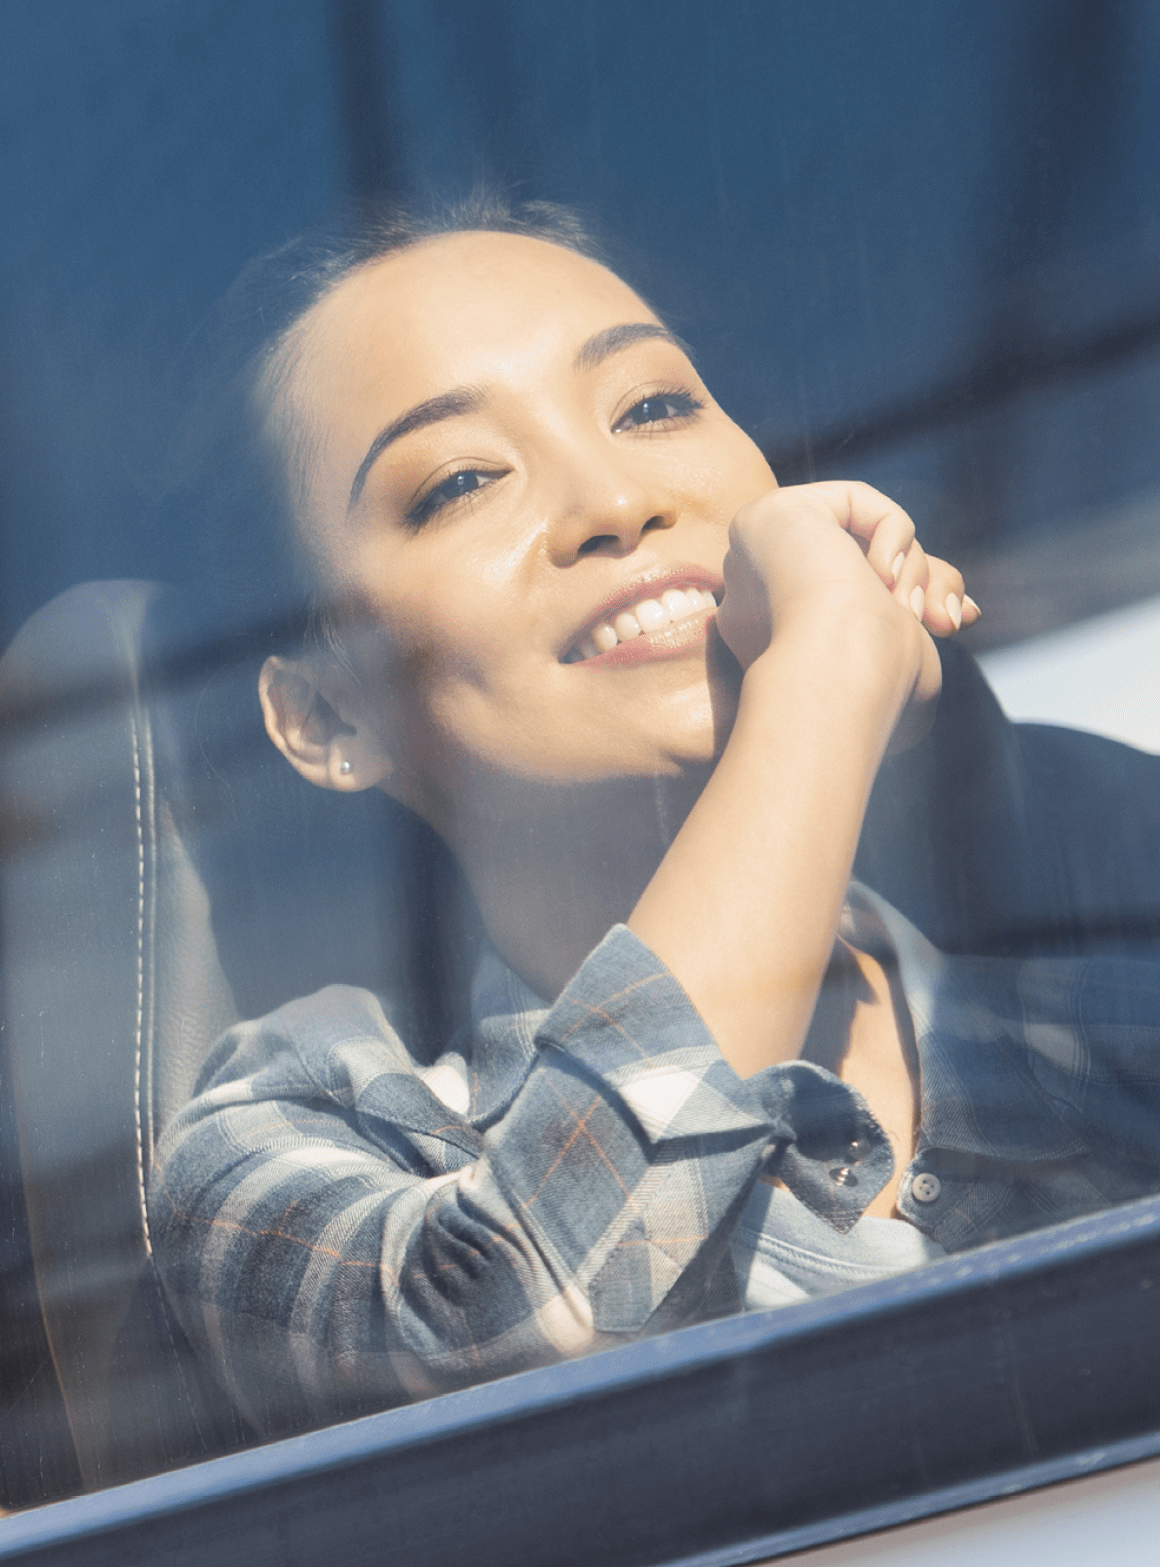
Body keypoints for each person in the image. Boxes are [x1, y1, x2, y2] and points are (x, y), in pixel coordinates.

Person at [150, 198, 1160, 1439]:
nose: (615, 499)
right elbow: (531, 1334)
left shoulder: (1102, 1032)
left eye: (653, 407)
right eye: (460, 482)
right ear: (325, 716)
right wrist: (822, 688)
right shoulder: (301, 1135)